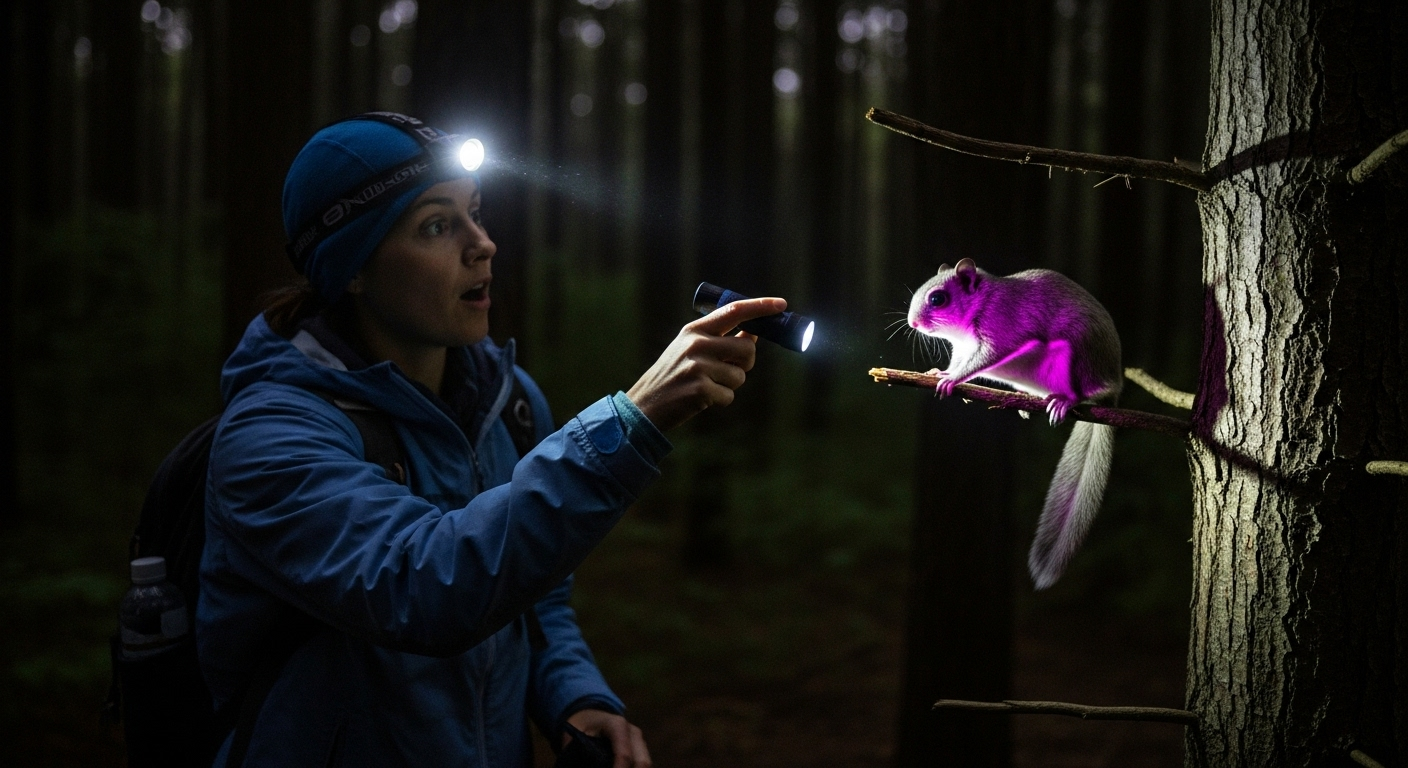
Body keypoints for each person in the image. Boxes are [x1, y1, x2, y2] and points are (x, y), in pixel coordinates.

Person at [197, 113, 783, 767]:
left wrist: (573, 696)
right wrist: (632, 421)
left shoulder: (510, 404)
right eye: (436, 225)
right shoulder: (270, 436)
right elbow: (427, 587)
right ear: (352, 269)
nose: (483, 245)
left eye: (475, 213)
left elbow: (537, 596)